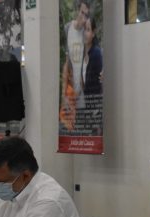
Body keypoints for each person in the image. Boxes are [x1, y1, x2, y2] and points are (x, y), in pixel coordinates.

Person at [60, 0, 90, 131]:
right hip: (71, 91)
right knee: (69, 128)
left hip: (83, 91)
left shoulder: (86, 33)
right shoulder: (68, 29)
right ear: (78, 11)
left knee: (83, 129)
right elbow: (66, 63)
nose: (83, 18)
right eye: (82, 13)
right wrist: (64, 94)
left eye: (86, 15)